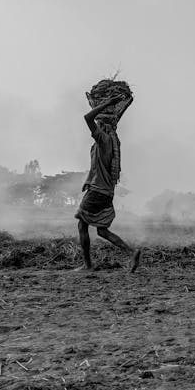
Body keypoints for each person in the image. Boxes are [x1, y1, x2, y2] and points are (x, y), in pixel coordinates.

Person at [75, 94, 141, 271]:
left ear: (103, 125)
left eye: (99, 123)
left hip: (97, 192)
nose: (96, 125)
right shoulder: (112, 142)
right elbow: (97, 167)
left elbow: (87, 118)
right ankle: (132, 252)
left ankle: (87, 265)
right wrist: (88, 181)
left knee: (82, 224)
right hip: (105, 191)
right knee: (102, 231)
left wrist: (107, 102)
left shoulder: (103, 139)